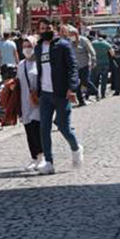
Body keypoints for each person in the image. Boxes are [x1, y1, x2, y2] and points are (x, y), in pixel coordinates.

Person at [34, 18, 84, 175]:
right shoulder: (38, 47)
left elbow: (73, 67)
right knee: (44, 128)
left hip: (61, 93)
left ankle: (76, 148)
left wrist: (72, 88)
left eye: (47, 28)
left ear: (54, 28)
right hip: (45, 94)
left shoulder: (63, 45)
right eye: (42, 28)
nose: (45, 31)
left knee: (63, 126)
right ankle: (49, 162)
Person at [17, 36, 43, 171]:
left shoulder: (40, 63)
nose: (27, 49)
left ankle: (41, 156)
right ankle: (34, 157)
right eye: (24, 47)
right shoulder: (21, 65)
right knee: (28, 130)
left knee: (35, 128)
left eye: (29, 46)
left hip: (37, 102)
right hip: (24, 102)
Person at [64, 25, 97, 106]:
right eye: (70, 35)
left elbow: (92, 52)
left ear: (76, 34)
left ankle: (95, 92)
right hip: (75, 67)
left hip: (85, 65)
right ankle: (81, 101)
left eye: (72, 35)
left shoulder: (84, 40)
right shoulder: (69, 42)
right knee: (77, 84)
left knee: (85, 81)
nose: (71, 37)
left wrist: (93, 61)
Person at [90, 33, 113, 100]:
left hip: (95, 63)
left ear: (97, 36)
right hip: (104, 63)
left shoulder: (92, 43)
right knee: (104, 79)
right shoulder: (106, 44)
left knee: (94, 79)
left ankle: (95, 93)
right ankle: (103, 94)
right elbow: (112, 53)